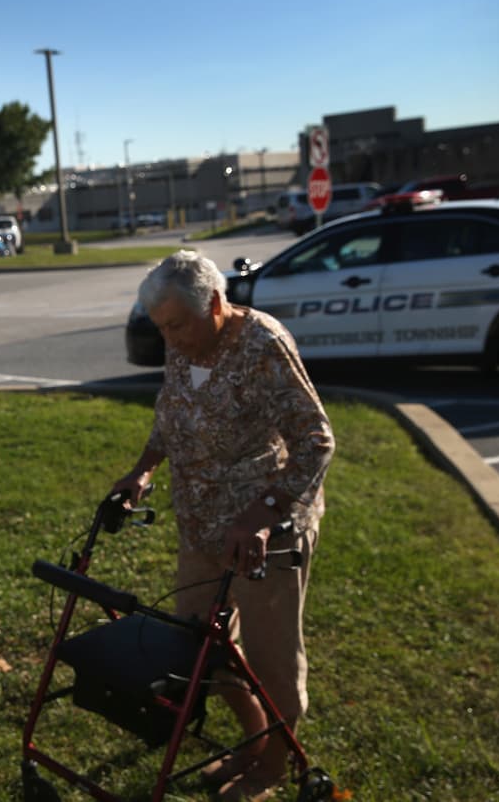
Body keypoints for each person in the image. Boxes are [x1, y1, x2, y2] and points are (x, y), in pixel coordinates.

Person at [111, 251, 334, 802]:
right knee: (201, 648)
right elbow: (170, 411)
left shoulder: (263, 345)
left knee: (270, 656)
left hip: (264, 537)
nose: (171, 339)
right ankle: (256, 739)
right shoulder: (183, 340)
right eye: (162, 328)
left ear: (214, 303)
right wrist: (143, 469)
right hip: (201, 525)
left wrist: (261, 516)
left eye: (177, 325)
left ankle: (273, 767)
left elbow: (316, 440)